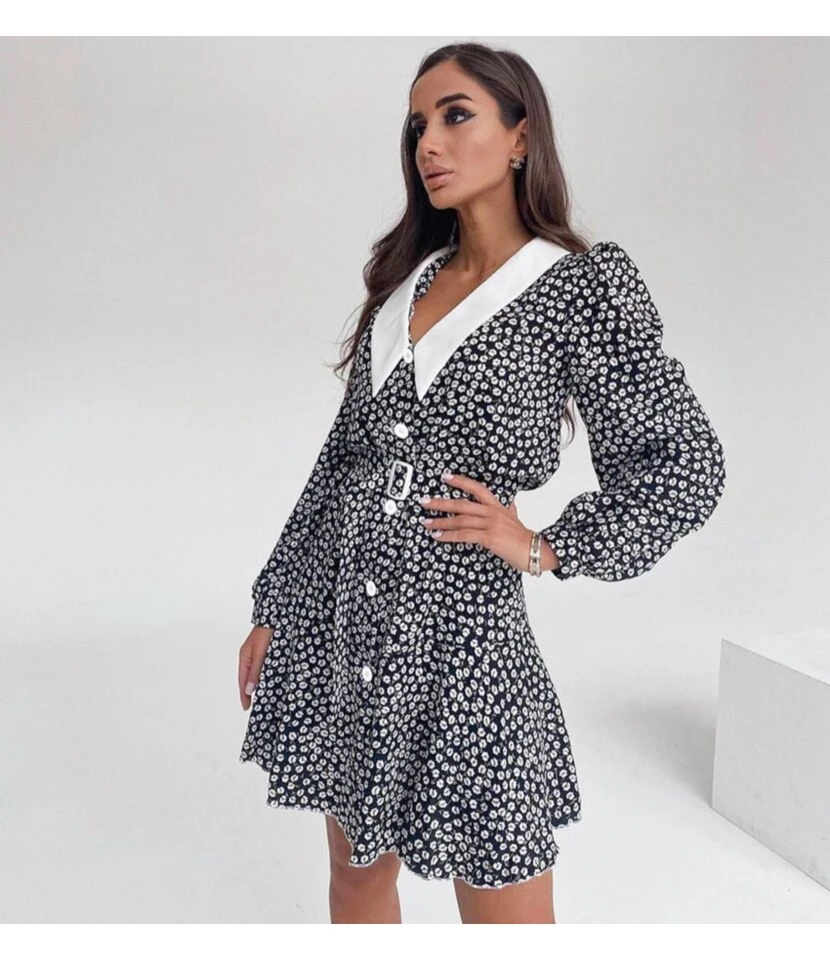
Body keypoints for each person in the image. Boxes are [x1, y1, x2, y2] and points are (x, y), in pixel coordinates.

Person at [237, 41, 727, 924]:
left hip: (469, 643)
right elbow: (342, 464)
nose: (429, 142)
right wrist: (279, 604)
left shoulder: (578, 288)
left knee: (503, 896)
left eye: (456, 116)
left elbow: (684, 464)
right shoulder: (404, 288)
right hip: (349, 625)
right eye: (417, 125)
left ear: (520, 136)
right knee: (357, 875)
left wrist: (544, 546)